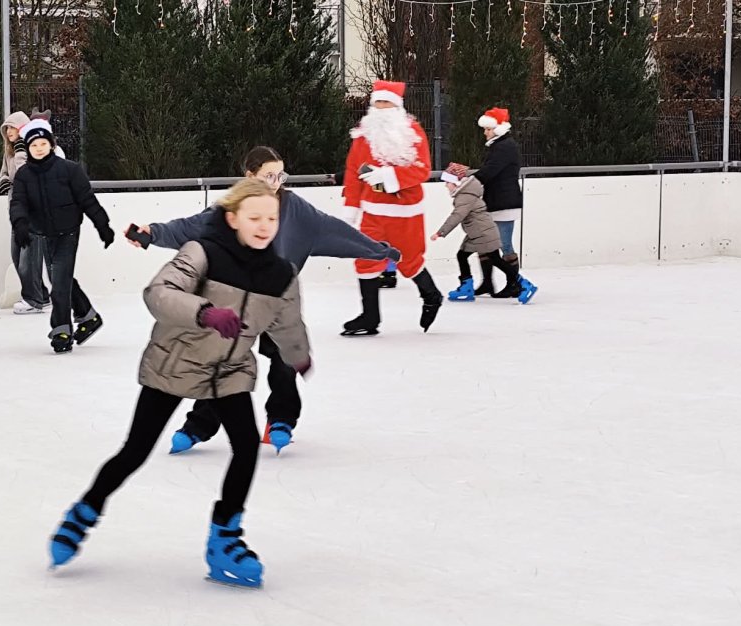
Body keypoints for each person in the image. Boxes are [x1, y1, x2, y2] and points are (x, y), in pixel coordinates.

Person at [48, 178, 312, 589]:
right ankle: (85, 511)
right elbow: (159, 292)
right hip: (177, 361)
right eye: (255, 217)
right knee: (135, 451)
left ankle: (224, 538)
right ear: (233, 218)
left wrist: (299, 355)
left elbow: (288, 321)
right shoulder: (202, 252)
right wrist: (205, 313)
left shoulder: (280, 275)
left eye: (272, 218)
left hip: (229, 371)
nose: (264, 226)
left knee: (245, 448)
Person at [127, 146, 398, 454]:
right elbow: (190, 228)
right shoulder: (231, 211)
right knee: (222, 363)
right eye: (269, 175)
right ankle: (199, 425)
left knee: (284, 362)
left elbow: (332, 230)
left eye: (280, 174)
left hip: (273, 301)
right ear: (250, 176)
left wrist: (377, 249)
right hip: (232, 302)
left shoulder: (296, 210)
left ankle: (281, 420)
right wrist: (152, 233)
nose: (276, 181)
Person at [340, 79, 444, 337]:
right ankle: (370, 316)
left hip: (405, 212)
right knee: (365, 260)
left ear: (397, 106)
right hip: (373, 213)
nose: (381, 107)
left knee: (409, 261)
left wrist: (389, 176)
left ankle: (431, 296)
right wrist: (350, 208)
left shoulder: (412, 132)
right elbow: (353, 174)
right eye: (377, 102)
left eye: (387, 102)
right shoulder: (362, 136)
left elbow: (422, 169)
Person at [8, 121, 115, 353]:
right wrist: (20, 225)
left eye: (43, 143)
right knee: (61, 278)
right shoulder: (24, 175)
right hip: (44, 234)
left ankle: (61, 330)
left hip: (67, 233)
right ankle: (88, 316)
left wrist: (102, 225)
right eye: (34, 144)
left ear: (52, 145)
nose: (38, 148)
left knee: (58, 282)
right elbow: (18, 203)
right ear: (27, 148)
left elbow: (87, 200)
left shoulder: (69, 169)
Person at [431, 163, 533, 304]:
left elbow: (457, 216)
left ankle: (524, 284)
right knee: (462, 255)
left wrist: (441, 232)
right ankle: (466, 287)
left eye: (447, 182)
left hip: (483, 234)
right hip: (477, 233)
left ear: (456, 182)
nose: (446, 185)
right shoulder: (465, 194)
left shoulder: (464, 197)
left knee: (495, 260)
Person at [0, 111, 52, 315]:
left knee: (29, 258)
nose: (9, 132)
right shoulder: (9, 151)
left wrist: (21, 153)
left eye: (13, 128)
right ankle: (42, 295)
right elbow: (4, 172)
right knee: (17, 256)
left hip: (33, 211)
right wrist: (3, 181)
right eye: (7, 128)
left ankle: (33, 299)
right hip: (16, 210)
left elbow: (26, 176)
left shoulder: (32, 149)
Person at [472, 107, 526, 298]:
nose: (485, 133)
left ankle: (515, 284)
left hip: (504, 202)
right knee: (486, 243)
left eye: (488, 129)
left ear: (498, 128)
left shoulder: (504, 146)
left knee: (504, 244)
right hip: (496, 201)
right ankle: (488, 282)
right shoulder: (499, 145)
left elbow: (489, 171)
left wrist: (467, 181)